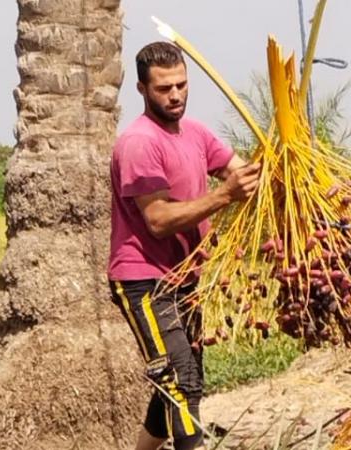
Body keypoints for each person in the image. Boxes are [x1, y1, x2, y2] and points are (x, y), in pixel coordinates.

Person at [107, 41, 261, 450]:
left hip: (186, 278)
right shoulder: (139, 142)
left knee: (173, 388)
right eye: (163, 88)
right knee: (180, 382)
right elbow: (157, 220)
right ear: (142, 89)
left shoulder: (195, 133)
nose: (175, 95)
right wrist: (224, 195)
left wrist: (276, 168)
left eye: (181, 85)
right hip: (144, 280)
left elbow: (239, 171)